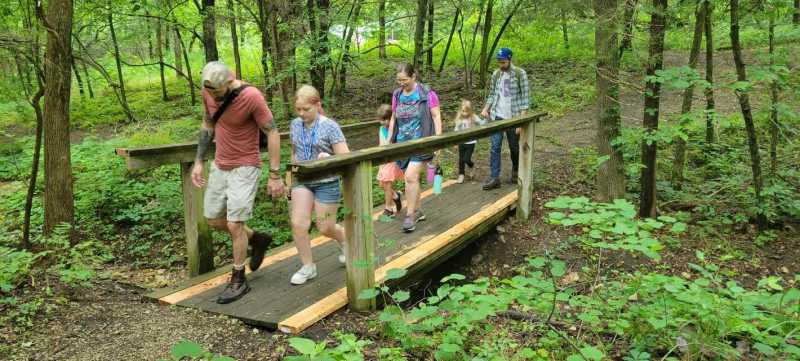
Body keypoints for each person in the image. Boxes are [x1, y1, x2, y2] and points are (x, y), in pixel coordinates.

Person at [191, 61, 286, 304]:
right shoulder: (207, 92)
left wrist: (275, 175)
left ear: (230, 81)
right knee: (213, 219)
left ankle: (238, 278)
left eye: (218, 92)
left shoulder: (251, 96)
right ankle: (256, 239)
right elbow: (208, 123)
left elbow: (272, 132)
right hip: (220, 164)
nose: (214, 97)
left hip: (246, 165)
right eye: (210, 93)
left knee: (235, 224)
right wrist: (199, 161)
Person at [288, 85, 350, 285]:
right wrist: (289, 181)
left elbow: (346, 156)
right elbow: (294, 153)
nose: (301, 113)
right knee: (298, 223)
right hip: (302, 180)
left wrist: (329, 158)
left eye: (306, 109)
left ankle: (344, 240)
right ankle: (308, 267)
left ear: (317, 105)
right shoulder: (295, 125)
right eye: (298, 109)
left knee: (325, 227)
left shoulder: (330, 126)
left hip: (326, 182)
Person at [387, 63, 443, 233]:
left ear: (413, 76)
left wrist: (438, 140)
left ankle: (409, 215)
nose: (401, 83)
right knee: (411, 179)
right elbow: (393, 118)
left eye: (404, 80)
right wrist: (389, 141)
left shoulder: (427, 93)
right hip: (402, 143)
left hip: (421, 142)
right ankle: (418, 210)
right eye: (398, 80)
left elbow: (436, 116)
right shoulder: (397, 95)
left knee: (410, 177)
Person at [480, 47, 530, 190]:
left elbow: (525, 99)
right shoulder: (496, 74)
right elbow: (492, 94)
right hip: (497, 115)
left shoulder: (520, 74)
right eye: (499, 62)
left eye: (503, 62)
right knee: (495, 147)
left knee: (514, 147)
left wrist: (521, 121)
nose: (501, 65)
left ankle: (516, 169)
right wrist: (486, 108)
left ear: (509, 59)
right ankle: (494, 177)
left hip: (513, 117)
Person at [375, 104, 404, 218]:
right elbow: (381, 143)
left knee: (386, 184)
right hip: (383, 159)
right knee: (382, 184)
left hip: (391, 159)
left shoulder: (396, 128)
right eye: (381, 120)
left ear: (391, 118)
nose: (383, 122)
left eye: (385, 119)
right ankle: (396, 196)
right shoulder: (381, 129)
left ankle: (388, 208)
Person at [452, 99, 486, 184]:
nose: (464, 113)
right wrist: (455, 142)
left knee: (466, 159)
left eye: (466, 111)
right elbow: (456, 130)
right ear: (460, 110)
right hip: (461, 142)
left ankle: (471, 165)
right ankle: (461, 174)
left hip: (471, 142)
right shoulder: (459, 119)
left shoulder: (473, 117)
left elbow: (482, 123)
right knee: (461, 160)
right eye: (463, 111)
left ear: (470, 111)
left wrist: (486, 118)